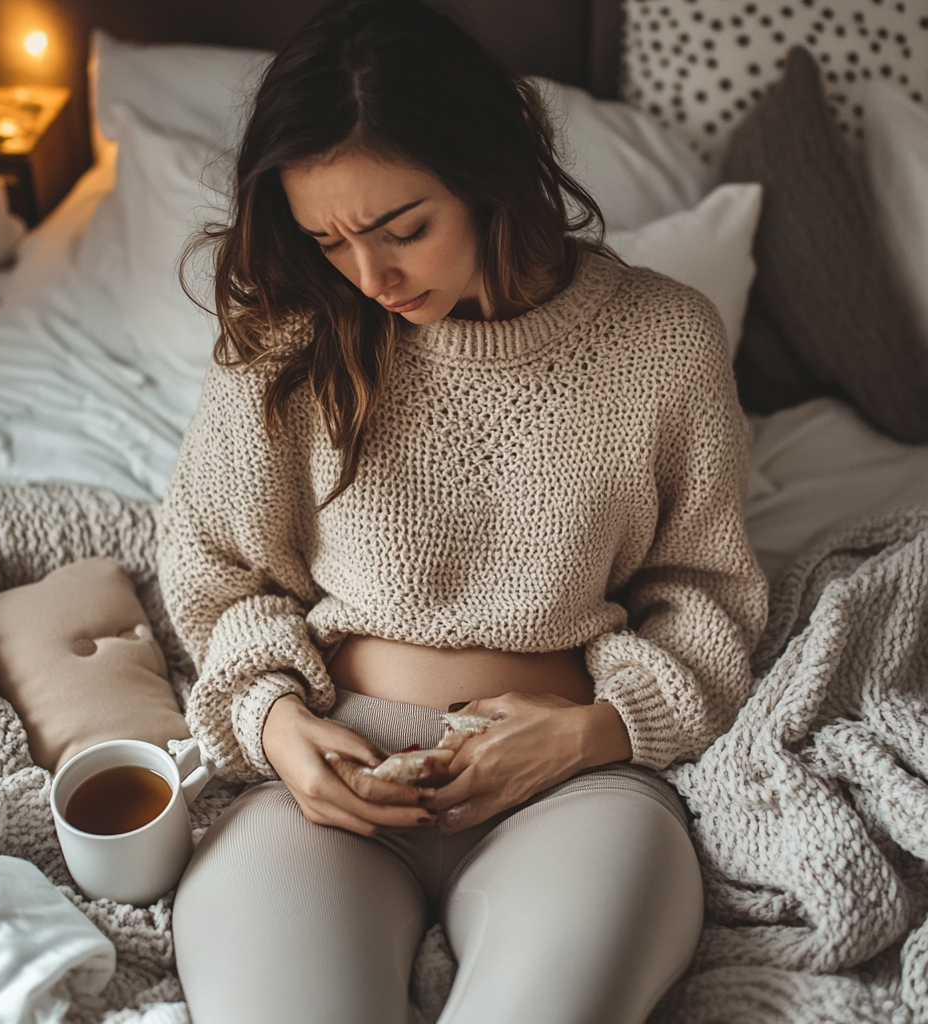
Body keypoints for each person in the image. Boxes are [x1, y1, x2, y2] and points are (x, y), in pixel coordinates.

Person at [157, 1, 769, 1021]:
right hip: (338, 783)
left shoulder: (665, 342)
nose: (370, 276)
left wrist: (594, 732)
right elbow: (213, 570)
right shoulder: (287, 343)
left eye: (404, 229)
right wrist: (276, 727)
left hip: (572, 785)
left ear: (489, 174)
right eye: (328, 240)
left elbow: (706, 596)